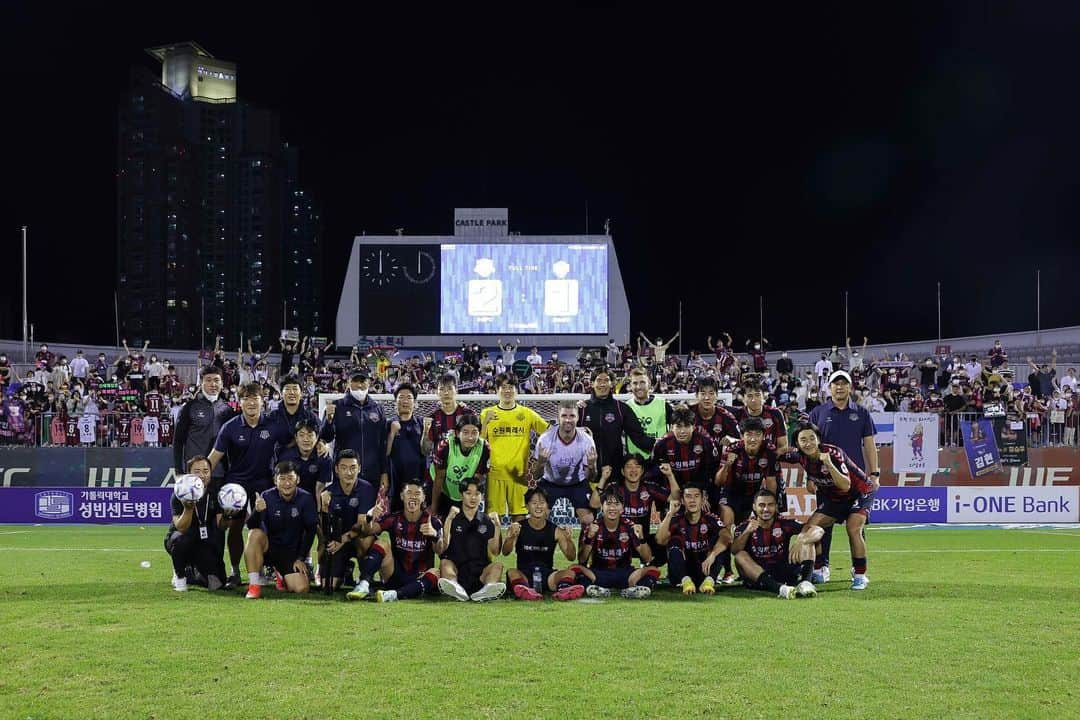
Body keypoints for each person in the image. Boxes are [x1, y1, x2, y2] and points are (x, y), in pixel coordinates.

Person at [208, 383, 291, 588]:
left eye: (255, 398)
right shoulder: (231, 427)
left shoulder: (273, 424)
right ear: (240, 402)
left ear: (262, 401)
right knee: (233, 527)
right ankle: (234, 572)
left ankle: (270, 568)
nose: (251, 402)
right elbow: (214, 457)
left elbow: (292, 442)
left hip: (264, 483)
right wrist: (198, 477)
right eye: (246, 398)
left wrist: (320, 444)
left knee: (267, 527)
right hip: (236, 484)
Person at [780, 422, 876, 590]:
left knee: (853, 528)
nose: (808, 443)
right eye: (803, 440)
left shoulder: (833, 453)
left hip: (859, 493)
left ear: (818, 440)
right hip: (834, 499)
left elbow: (845, 485)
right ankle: (818, 570)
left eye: (812, 438)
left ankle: (860, 575)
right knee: (810, 528)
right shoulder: (798, 456)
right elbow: (776, 454)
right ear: (797, 444)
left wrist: (829, 464)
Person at [806, 370, 879, 583]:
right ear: (829, 388)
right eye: (835, 384)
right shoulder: (818, 413)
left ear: (850, 387)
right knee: (822, 526)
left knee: (856, 527)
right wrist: (810, 478)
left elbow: (869, 444)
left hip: (855, 482)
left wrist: (874, 474)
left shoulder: (862, 413)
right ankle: (822, 568)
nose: (840, 387)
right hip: (827, 482)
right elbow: (810, 447)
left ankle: (859, 571)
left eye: (844, 384)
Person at [348, 479, 443, 602]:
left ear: (424, 498)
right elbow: (366, 532)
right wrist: (369, 517)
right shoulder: (394, 518)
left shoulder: (433, 522)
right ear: (402, 496)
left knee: (436, 572)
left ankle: (393, 595)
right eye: (409, 493)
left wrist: (434, 535)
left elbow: (440, 550)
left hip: (419, 577)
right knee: (381, 543)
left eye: (417, 494)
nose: (413, 497)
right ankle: (363, 584)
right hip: (394, 574)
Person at [243, 461, 318, 599]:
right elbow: (251, 525)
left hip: (290, 553)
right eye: (282, 479)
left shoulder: (306, 498)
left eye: (290, 478)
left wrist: (301, 558)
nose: (287, 483)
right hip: (268, 548)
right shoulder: (266, 496)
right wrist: (257, 511)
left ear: (298, 479)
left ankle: (281, 575)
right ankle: (254, 586)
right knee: (254, 534)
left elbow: (311, 530)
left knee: (301, 588)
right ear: (275, 481)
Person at [480, 374, 550, 522]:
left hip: (519, 476)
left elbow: (549, 431)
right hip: (494, 474)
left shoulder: (526, 413)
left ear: (516, 390)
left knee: (520, 519)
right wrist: (485, 424)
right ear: (497, 390)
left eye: (511, 387)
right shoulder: (486, 413)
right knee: (493, 521)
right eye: (503, 387)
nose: (507, 391)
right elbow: (478, 443)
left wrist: (577, 429)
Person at [732, 489, 822, 599]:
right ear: (754, 507)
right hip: (758, 575)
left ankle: (805, 584)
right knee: (740, 556)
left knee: (809, 540)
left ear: (776, 507)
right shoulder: (745, 526)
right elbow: (734, 550)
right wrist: (747, 532)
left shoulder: (784, 523)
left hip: (783, 571)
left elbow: (818, 530)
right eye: (761, 505)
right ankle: (779, 589)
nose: (766, 509)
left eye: (770, 505)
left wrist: (801, 540)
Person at [503, 487, 587, 601]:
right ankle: (525, 590)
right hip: (524, 575)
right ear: (527, 507)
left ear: (547, 506)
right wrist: (511, 537)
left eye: (542, 503)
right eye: (534, 503)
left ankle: (563, 589)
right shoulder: (518, 527)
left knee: (569, 573)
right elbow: (505, 552)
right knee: (512, 572)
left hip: (548, 576)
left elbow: (571, 557)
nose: (538, 506)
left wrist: (568, 539)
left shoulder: (556, 530)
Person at [577, 484, 659, 598]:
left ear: (622, 507)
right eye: (609, 504)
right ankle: (595, 589)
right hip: (598, 573)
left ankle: (635, 590)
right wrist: (590, 537)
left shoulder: (630, 526)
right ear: (602, 506)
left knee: (653, 570)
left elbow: (647, 559)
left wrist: (642, 538)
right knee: (575, 569)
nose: (612, 508)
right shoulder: (593, 526)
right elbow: (581, 559)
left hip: (625, 574)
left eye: (616, 504)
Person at [597, 453, 674, 567]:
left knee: (669, 541)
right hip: (617, 540)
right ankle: (598, 567)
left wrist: (670, 475)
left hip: (642, 539)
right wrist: (603, 479)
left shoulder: (648, 487)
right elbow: (594, 503)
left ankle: (649, 567)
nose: (633, 470)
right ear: (623, 471)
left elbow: (674, 497)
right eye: (629, 466)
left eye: (637, 466)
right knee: (593, 536)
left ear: (642, 470)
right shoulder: (614, 488)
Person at [436, 479, 506, 602]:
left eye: (477, 494)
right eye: (468, 493)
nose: (473, 498)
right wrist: (448, 520)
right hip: (457, 570)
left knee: (498, 566)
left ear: (482, 496)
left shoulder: (486, 521)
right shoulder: (453, 517)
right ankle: (455, 587)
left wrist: (497, 527)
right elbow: (443, 547)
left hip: (480, 571)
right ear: (461, 495)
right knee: (444, 563)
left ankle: (486, 590)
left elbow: (495, 551)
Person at [530, 400, 598, 526]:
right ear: (558, 418)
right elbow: (535, 476)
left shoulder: (586, 440)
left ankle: (586, 545)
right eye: (564, 416)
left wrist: (592, 465)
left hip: (577, 483)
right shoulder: (545, 439)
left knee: (588, 520)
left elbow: (591, 477)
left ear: (577, 418)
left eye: (572, 416)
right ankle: (543, 545)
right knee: (538, 519)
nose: (568, 420)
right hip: (550, 482)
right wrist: (541, 462)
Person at [655, 483, 730, 595]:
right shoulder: (676, 519)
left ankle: (709, 582)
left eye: (696, 496)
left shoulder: (710, 518)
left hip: (705, 568)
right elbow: (660, 540)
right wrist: (670, 514)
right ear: (683, 500)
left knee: (719, 543)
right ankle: (686, 582)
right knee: (674, 540)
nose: (692, 500)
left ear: (702, 500)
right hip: (681, 571)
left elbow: (727, 536)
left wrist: (713, 554)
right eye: (688, 496)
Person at [318, 449, 377, 592]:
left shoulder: (366, 488)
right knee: (330, 585)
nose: (349, 473)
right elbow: (324, 528)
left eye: (353, 468)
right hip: (338, 539)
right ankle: (345, 570)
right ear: (337, 470)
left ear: (359, 468)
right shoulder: (328, 491)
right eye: (344, 468)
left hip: (357, 537)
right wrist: (324, 507)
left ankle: (365, 576)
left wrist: (344, 538)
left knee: (365, 541)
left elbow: (362, 524)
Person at [164, 457, 226, 592]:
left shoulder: (216, 493)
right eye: (197, 471)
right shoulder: (179, 493)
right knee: (181, 540)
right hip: (180, 539)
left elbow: (221, 526)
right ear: (189, 474)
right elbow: (180, 527)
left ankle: (191, 571)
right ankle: (179, 576)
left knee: (218, 583)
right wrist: (188, 509)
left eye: (206, 471)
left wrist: (229, 514)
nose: (202, 475)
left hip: (204, 542)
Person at [578, 366, 654, 474]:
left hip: (614, 471)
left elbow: (639, 437)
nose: (603, 384)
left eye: (606, 380)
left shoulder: (621, 408)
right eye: (599, 380)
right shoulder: (582, 409)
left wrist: (662, 446)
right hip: (587, 472)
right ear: (592, 383)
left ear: (612, 383)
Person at [320, 369, 387, 490]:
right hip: (344, 474)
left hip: (372, 473)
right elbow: (325, 437)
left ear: (369, 383)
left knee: (370, 509)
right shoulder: (336, 406)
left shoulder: (378, 409)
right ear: (348, 382)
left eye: (363, 381)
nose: (359, 385)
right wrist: (328, 421)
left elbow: (383, 444)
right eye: (355, 381)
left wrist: (384, 472)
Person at [173, 365, 235, 487]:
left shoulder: (228, 410)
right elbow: (178, 441)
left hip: (220, 473)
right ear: (201, 383)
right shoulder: (189, 407)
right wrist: (179, 471)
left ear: (222, 384)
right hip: (194, 474)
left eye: (216, 380)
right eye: (208, 380)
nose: (213, 384)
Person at [650, 406, 721, 505]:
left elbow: (711, 470)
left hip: (699, 490)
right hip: (672, 491)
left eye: (687, 426)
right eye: (678, 426)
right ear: (671, 427)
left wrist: (703, 493)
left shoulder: (705, 441)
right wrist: (668, 496)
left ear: (693, 427)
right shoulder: (662, 444)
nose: (682, 431)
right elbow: (655, 473)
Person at [718, 417, 781, 526]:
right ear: (742, 436)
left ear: (763, 436)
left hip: (755, 494)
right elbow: (719, 482)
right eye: (749, 434)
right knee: (728, 522)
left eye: (757, 434)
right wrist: (727, 465)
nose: (753, 439)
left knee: (766, 522)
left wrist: (771, 505)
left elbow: (771, 481)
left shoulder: (769, 451)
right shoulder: (732, 449)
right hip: (732, 494)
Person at [384, 383, 426, 510]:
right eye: (401, 397)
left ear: (415, 403)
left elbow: (426, 451)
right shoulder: (388, 424)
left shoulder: (422, 423)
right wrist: (391, 433)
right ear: (395, 402)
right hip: (395, 482)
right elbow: (385, 453)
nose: (405, 401)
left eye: (409, 397)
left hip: (418, 482)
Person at [625, 367, 675, 458]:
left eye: (642, 382)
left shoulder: (663, 404)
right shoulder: (626, 407)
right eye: (635, 383)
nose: (638, 387)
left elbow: (676, 427)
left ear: (649, 384)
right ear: (630, 386)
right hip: (635, 463)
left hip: (660, 457)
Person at [730, 379, 788, 452]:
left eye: (757, 395)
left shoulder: (775, 413)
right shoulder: (736, 415)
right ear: (743, 399)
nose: (754, 400)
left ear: (763, 397)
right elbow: (731, 443)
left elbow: (783, 446)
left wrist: (770, 459)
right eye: (749, 396)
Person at [421, 373, 470, 456]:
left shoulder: (468, 414)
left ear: (456, 391)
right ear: (437, 392)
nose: (446, 393)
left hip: (464, 466)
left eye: (450, 388)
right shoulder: (432, 417)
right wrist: (425, 431)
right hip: (440, 467)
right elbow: (425, 451)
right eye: (442, 389)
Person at [691, 377, 740, 449]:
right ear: (696, 395)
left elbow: (741, 440)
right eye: (703, 393)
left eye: (711, 393)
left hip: (718, 459)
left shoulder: (726, 416)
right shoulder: (688, 414)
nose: (707, 398)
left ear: (716, 395)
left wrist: (732, 440)